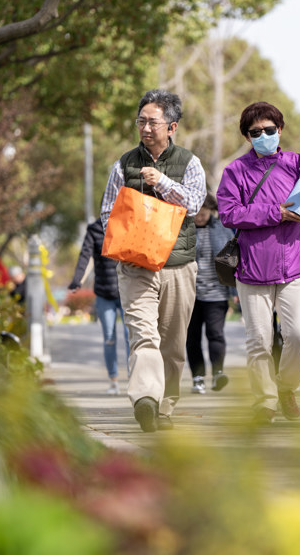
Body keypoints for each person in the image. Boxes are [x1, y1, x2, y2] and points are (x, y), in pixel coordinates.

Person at [216, 101, 300, 425]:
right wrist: (275, 213)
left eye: (269, 130)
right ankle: (265, 401)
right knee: (259, 341)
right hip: (252, 269)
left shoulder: (298, 163)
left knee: (298, 335)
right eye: (255, 132)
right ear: (247, 137)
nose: (263, 136)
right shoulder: (235, 171)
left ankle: (286, 388)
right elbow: (228, 213)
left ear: (280, 130)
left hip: (294, 266)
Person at [101, 89, 206, 433]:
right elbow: (107, 212)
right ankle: (146, 398)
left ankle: (164, 407)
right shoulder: (123, 164)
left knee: (172, 344)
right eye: (141, 121)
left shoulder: (189, 163)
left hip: (178, 265)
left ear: (172, 127)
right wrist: (127, 231)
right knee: (144, 335)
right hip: (136, 265)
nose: (145, 128)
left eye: (153, 122)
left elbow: (194, 205)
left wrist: (162, 182)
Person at [68, 217, 130, 395]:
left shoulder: (127, 222)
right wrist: (77, 280)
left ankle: (134, 379)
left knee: (131, 336)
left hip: (126, 290)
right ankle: (113, 380)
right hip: (104, 292)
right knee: (109, 337)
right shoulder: (94, 229)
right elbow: (84, 256)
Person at [186, 193, 236, 394]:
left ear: (211, 212)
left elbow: (232, 261)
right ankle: (197, 378)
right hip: (190, 294)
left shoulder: (223, 229)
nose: (199, 217)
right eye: (196, 214)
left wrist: (234, 290)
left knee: (215, 334)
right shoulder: (184, 229)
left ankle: (218, 374)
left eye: (204, 214)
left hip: (217, 293)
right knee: (192, 337)